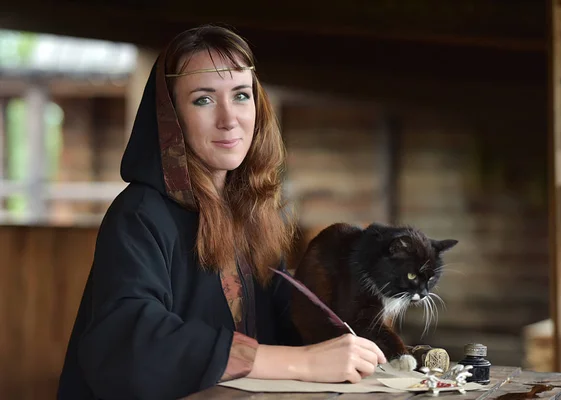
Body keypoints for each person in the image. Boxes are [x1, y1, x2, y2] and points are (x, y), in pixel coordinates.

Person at [57, 24, 386, 400]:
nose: (229, 119)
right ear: (171, 118)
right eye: (204, 99)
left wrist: (362, 302)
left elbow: (286, 319)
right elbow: (130, 342)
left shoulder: (256, 214)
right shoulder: (139, 214)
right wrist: (304, 363)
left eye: (241, 95)